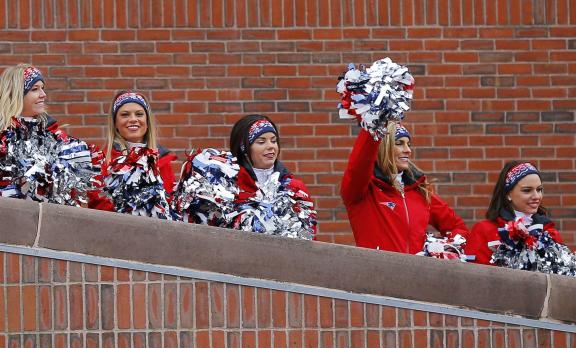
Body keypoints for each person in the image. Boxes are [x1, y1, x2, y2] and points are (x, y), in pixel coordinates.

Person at [340, 122, 468, 253]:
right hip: (376, 271)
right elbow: (360, 162)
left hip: (417, 272)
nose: (408, 150)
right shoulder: (363, 189)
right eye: (399, 143)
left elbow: (458, 227)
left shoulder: (419, 189)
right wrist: (374, 121)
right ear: (383, 147)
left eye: (408, 144)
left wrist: (444, 248)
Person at [0, 64, 56, 196]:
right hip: (6, 214)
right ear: (15, 95)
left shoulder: (53, 133)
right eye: (35, 89)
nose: (43, 95)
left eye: (42, 89)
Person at [228, 114, 316, 237]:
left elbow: (310, 234)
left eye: (274, 141)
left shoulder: (295, 188)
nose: (271, 146)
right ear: (244, 149)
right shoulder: (229, 188)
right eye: (261, 142)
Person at [90, 91, 177, 211]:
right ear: (115, 123)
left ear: (147, 123)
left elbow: (171, 205)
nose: (133, 119)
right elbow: (97, 207)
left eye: (139, 114)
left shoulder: (161, 160)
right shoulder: (101, 161)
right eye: (125, 115)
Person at [465, 161, 564, 265]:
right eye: (527, 190)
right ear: (508, 194)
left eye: (539, 190)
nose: (536, 196)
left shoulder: (550, 233)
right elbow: (473, 276)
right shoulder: (484, 231)